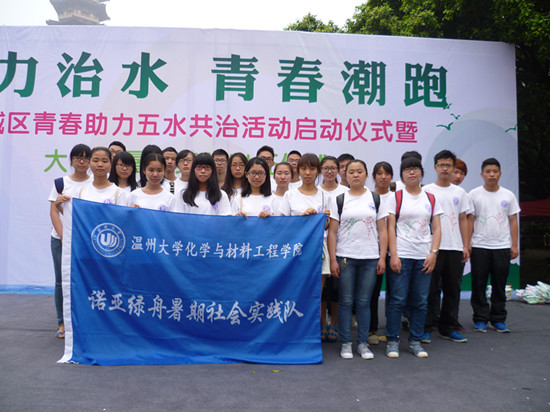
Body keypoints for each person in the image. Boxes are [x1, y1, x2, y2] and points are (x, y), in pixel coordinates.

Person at [327, 159, 388, 359]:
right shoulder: (339, 199)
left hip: (370, 258)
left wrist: (382, 257)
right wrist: (333, 259)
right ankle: (346, 343)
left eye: (359, 171)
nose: (355, 175)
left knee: (363, 302)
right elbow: (332, 232)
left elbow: (382, 230)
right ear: (345, 175)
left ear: (366, 175)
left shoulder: (375, 198)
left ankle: (362, 343)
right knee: (345, 301)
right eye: (351, 171)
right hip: (346, 257)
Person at [385, 156, 442, 358]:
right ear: (402, 174)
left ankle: (415, 341)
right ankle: (392, 341)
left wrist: (434, 253)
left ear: (421, 173)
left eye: (415, 169)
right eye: (407, 169)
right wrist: (393, 255)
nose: (412, 172)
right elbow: (390, 228)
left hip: (423, 256)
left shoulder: (431, 198)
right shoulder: (396, 197)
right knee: (397, 300)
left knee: (420, 301)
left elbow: (437, 228)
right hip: (402, 254)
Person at [279, 153, 330, 343]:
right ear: (298, 171)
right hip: (295, 252)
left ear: (318, 171)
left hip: (318, 250)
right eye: (303, 168)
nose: (307, 173)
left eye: (312, 168)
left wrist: (322, 219)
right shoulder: (290, 194)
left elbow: (328, 227)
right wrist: (302, 218)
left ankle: (310, 337)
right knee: (294, 292)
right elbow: (282, 225)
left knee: (315, 295)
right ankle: (292, 335)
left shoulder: (325, 195)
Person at [422, 150, 470, 343]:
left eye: (448, 165)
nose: (445, 169)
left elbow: (463, 219)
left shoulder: (460, 193)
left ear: (453, 167)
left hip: (455, 247)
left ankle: (448, 327)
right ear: (435, 167)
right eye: (441, 165)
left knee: (452, 289)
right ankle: (426, 327)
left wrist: (466, 245)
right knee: (430, 289)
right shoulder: (427, 191)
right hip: (432, 248)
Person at [468, 158, 520, 333]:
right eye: (488, 171)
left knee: (499, 284)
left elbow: (513, 221)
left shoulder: (508, 195)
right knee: (478, 284)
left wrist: (514, 245)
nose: (491, 175)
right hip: (479, 245)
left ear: (500, 174)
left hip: (502, 246)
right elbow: (470, 221)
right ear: (482, 174)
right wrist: (467, 244)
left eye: (495, 171)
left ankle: (498, 319)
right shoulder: (474, 194)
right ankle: (480, 318)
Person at [48, 143, 92, 339]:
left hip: (86, 241)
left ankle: (84, 320)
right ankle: (62, 322)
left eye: (85, 158)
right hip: (61, 240)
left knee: (87, 280)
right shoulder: (61, 183)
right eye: (77, 157)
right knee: (61, 281)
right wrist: (65, 237)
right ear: (72, 160)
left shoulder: (95, 182)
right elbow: (54, 212)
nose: (82, 161)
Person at [318, 156, 347, 342]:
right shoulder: (316, 192)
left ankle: (334, 322)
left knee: (336, 287)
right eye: (325, 168)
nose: (329, 171)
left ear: (338, 170)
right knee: (321, 289)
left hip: (340, 244)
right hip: (319, 245)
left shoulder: (345, 192)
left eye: (332, 168)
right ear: (321, 171)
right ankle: (322, 323)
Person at [368, 161, 394, 345]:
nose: (383, 177)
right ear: (374, 177)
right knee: (373, 292)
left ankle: (393, 330)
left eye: (387, 173)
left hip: (399, 249)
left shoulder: (397, 197)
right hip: (374, 250)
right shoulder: (369, 197)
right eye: (379, 173)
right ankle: (372, 329)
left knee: (395, 292)